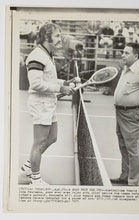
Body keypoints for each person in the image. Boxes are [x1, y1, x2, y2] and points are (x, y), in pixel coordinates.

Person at [20, 23, 78, 185]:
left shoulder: (47, 55)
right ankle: (35, 179)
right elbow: (36, 84)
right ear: (47, 37)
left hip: (49, 103)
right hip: (40, 104)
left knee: (52, 138)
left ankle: (27, 167)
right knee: (39, 143)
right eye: (57, 36)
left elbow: (48, 80)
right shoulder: (37, 56)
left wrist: (65, 82)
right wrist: (61, 88)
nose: (60, 39)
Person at [111, 43, 139, 186]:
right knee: (123, 146)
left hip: (132, 115)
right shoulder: (126, 68)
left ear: (136, 55)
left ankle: (133, 182)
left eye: (126, 53)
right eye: (123, 52)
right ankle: (124, 176)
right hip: (120, 113)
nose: (123, 55)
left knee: (132, 149)